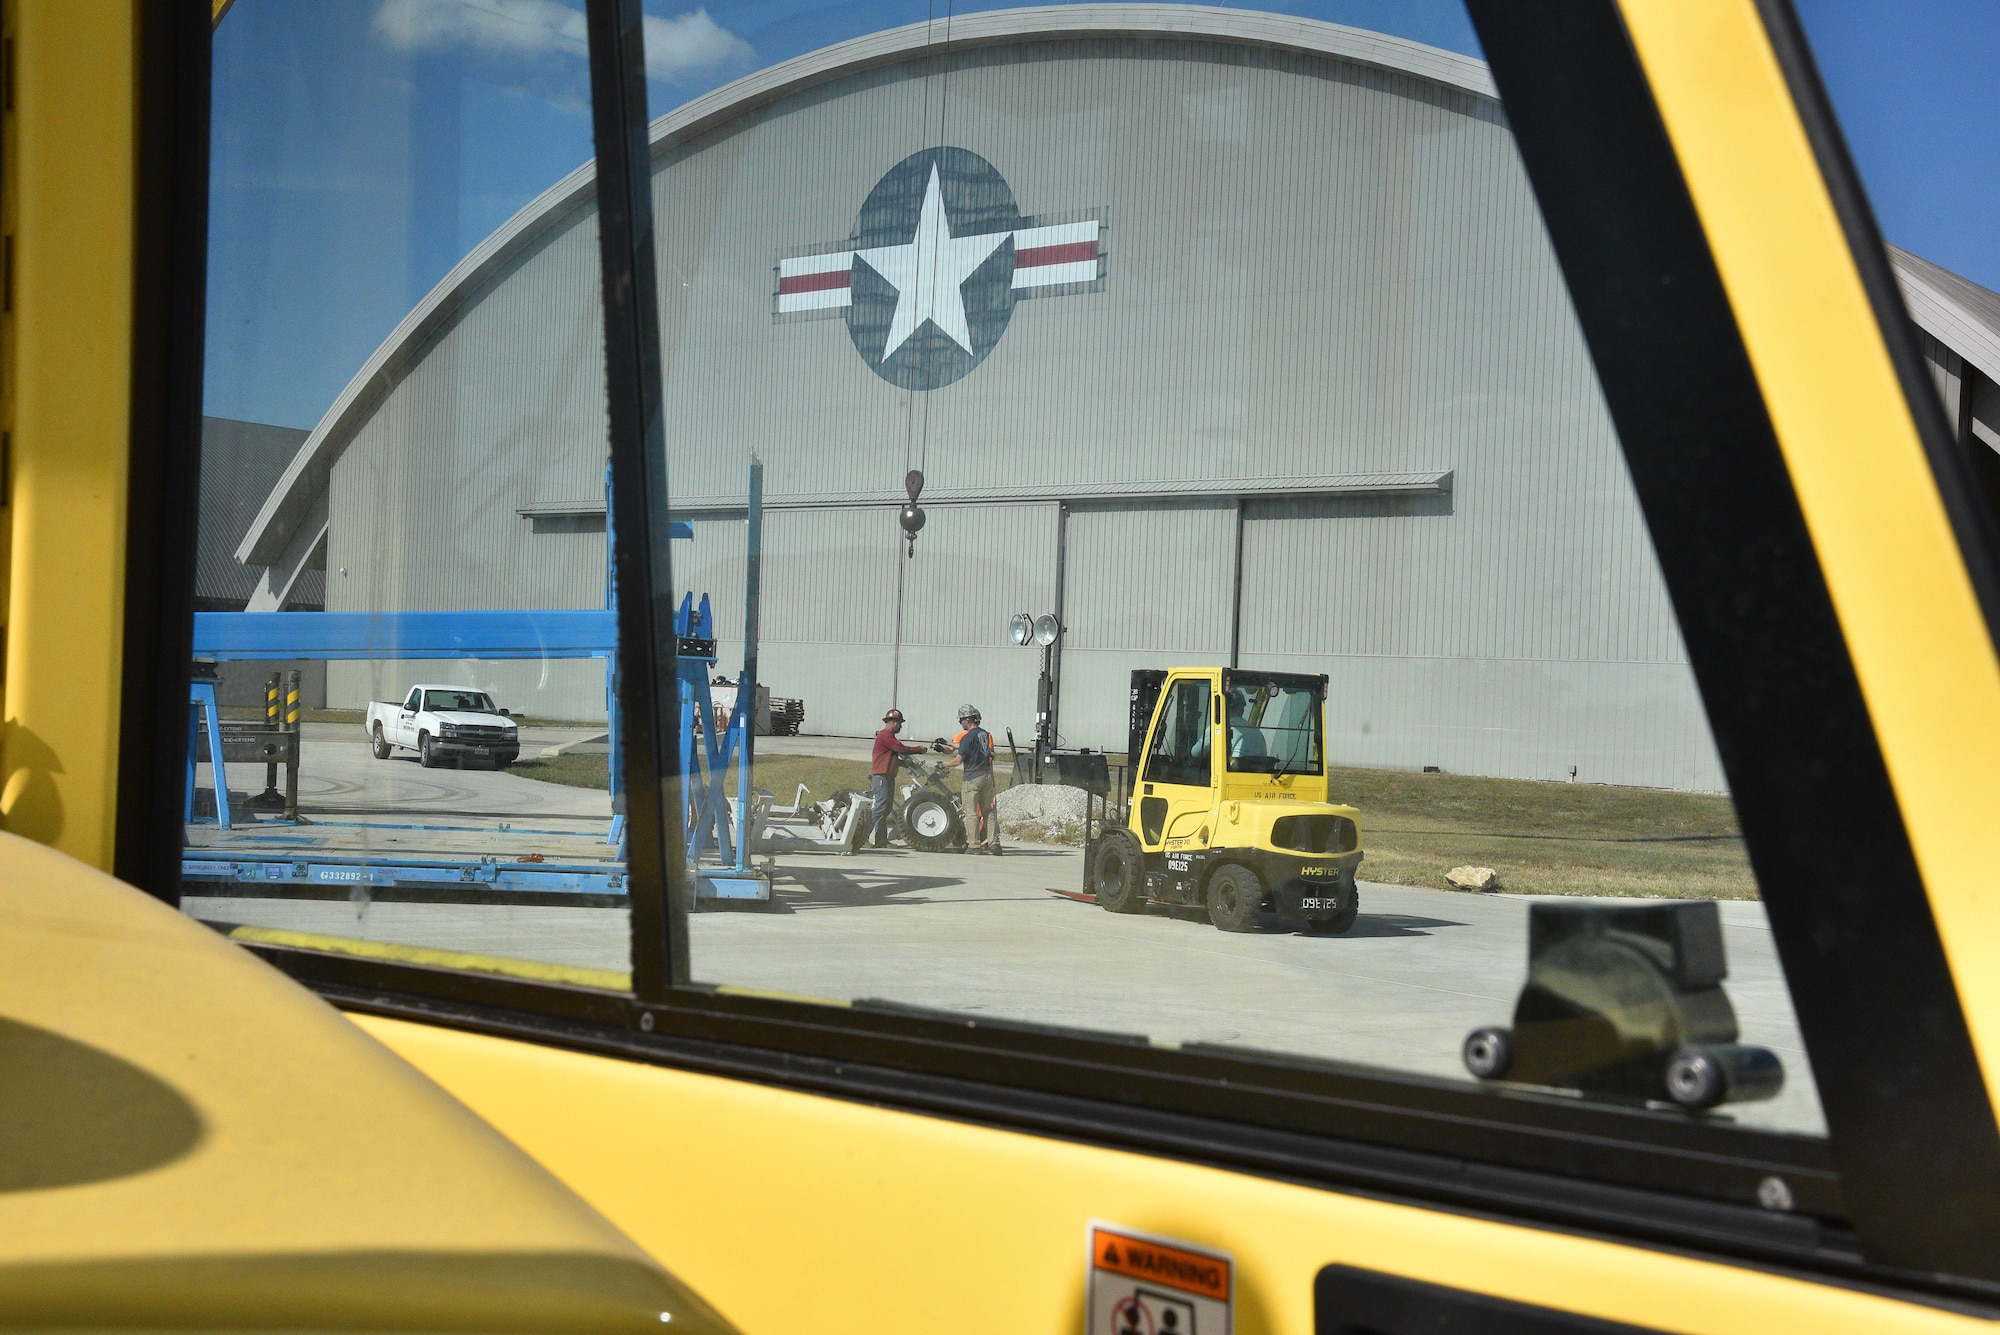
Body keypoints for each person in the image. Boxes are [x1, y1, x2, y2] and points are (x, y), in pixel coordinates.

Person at [941, 703, 1001, 855]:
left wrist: (942, 764)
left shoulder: (967, 737)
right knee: (989, 811)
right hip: (987, 776)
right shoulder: (984, 734)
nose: (961, 723)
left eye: (961, 720)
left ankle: (974, 845)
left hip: (972, 778)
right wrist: (946, 744)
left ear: (967, 719)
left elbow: (958, 760)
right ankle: (994, 843)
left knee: (971, 813)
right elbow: (974, 747)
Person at [868, 708, 926, 849]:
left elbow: (891, 758)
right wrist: (919, 749)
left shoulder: (889, 737)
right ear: (893, 722)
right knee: (880, 808)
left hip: (887, 775)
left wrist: (905, 764)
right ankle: (863, 835)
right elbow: (901, 749)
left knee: (886, 808)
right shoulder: (885, 735)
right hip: (881, 776)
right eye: (899, 723)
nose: (900, 726)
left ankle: (880, 840)